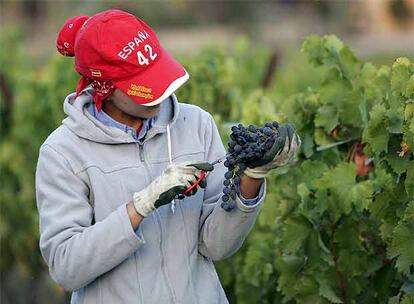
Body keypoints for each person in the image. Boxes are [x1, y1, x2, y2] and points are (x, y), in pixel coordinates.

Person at [35, 9, 301, 304]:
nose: (160, 94)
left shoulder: (195, 124)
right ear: (104, 87)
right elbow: (66, 267)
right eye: (143, 84)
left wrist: (252, 178)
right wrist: (140, 206)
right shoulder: (63, 152)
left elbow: (214, 245)